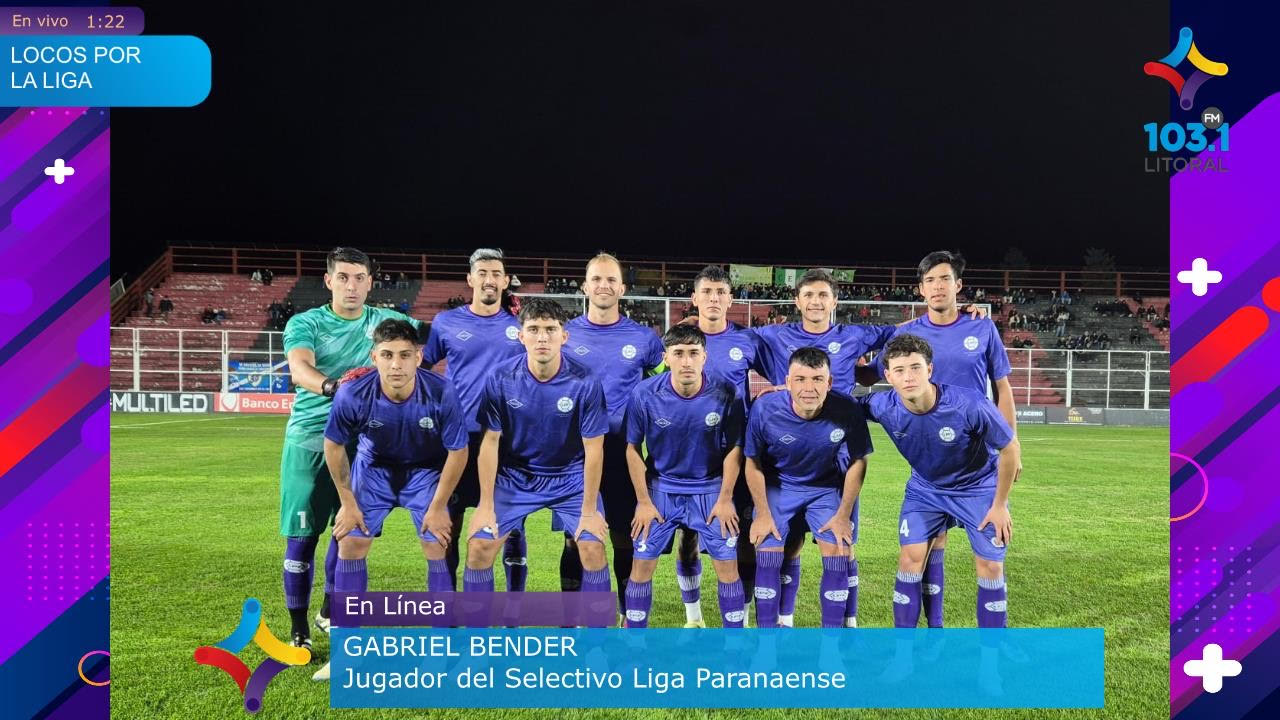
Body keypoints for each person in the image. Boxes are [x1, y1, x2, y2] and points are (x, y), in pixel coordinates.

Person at [279, 247, 422, 660]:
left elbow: (439, 336)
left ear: (370, 282)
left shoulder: (385, 322)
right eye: (343, 277)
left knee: (350, 530)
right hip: (310, 438)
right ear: (329, 281)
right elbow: (299, 368)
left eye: (359, 278)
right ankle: (298, 629)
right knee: (302, 536)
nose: (351, 286)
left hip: (364, 443)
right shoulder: (306, 323)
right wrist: (333, 387)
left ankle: (329, 608)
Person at [312, 319, 468, 682]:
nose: (395, 364)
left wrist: (438, 507)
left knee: (436, 542)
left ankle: (440, 651)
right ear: (374, 357)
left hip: (425, 470)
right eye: (386, 355)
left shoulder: (442, 391)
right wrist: (348, 503)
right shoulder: (353, 393)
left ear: (419, 357)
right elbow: (334, 446)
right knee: (351, 542)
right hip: (374, 469)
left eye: (404, 355)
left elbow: (458, 451)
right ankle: (346, 653)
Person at [877, 250, 1018, 628]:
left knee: (987, 561)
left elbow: (1002, 388)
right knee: (929, 545)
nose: (938, 286)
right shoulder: (906, 334)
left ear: (959, 285)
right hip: (930, 459)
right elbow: (873, 375)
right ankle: (933, 631)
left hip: (977, 458)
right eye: (930, 281)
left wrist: (1012, 444)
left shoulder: (982, 327)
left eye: (945, 279)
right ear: (920, 289)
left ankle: (989, 651)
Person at [856, 334, 1018, 635]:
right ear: (888, 376)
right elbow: (839, 405)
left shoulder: (969, 404)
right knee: (909, 559)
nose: (908, 377)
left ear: (929, 369)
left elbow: (1010, 449)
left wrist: (999, 505)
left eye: (915, 368)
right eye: (899, 370)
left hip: (977, 487)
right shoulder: (881, 405)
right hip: (926, 490)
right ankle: (905, 652)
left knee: (991, 567)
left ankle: (992, 656)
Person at [463, 299, 612, 605]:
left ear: (564, 336)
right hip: (516, 477)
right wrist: (486, 504)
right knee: (479, 547)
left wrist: (588, 512)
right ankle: (478, 632)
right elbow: (489, 443)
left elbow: (594, 449)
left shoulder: (585, 380)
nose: (542, 337)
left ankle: (596, 634)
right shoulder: (500, 377)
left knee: (592, 546)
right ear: (521, 336)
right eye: (533, 329)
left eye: (550, 329)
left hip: (570, 477)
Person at [560, 254, 664, 620]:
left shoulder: (644, 339)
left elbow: (663, 382)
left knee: (624, 535)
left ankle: (625, 615)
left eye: (610, 280)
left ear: (622, 288)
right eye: (596, 279)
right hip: (575, 453)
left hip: (623, 451)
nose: (603, 285)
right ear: (585, 287)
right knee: (574, 537)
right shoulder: (565, 335)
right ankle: (571, 622)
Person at [623, 325, 747, 628]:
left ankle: (735, 645)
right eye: (678, 353)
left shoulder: (727, 392)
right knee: (641, 567)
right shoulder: (644, 393)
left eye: (694, 353)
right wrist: (643, 502)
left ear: (705, 356)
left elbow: (735, 448)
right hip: (661, 490)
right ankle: (633, 644)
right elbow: (632, 449)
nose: (687, 361)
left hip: (711, 489)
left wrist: (726, 498)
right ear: (666, 357)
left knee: (728, 569)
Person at [421, 248, 527, 590]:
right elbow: (422, 368)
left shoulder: (520, 327)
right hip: (456, 440)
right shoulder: (446, 322)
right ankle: (448, 604)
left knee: (510, 526)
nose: (489, 280)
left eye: (496, 273)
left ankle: (513, 608)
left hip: (506, 440)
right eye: (482, 273)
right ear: (470, 279)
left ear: (505, 281)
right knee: (448, 524)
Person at [745, 347, 872, 628]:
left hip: (825, 488)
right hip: (780, 486)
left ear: (829, 382)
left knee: (839, 550)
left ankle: (832, 644)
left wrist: (843, 515)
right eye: (800, 379)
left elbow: (858, 462)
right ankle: (768, 642)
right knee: (768, 551)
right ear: (788, 382)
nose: (809, 388)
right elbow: (752, 462)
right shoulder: (765, 408)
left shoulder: (847, 408)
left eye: (817, 379)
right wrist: (762, 514)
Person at [685, 265, 770, 625]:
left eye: (721, 291)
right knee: (688, 534)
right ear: (695, 298)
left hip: (739, 450)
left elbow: (782, 379)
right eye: (707, 291)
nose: (714, 298)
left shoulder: (747, 341)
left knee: (744, 535)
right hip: (689, 454)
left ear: (731, 299)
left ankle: (743, 615)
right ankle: (693, 616)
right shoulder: (680, 341)